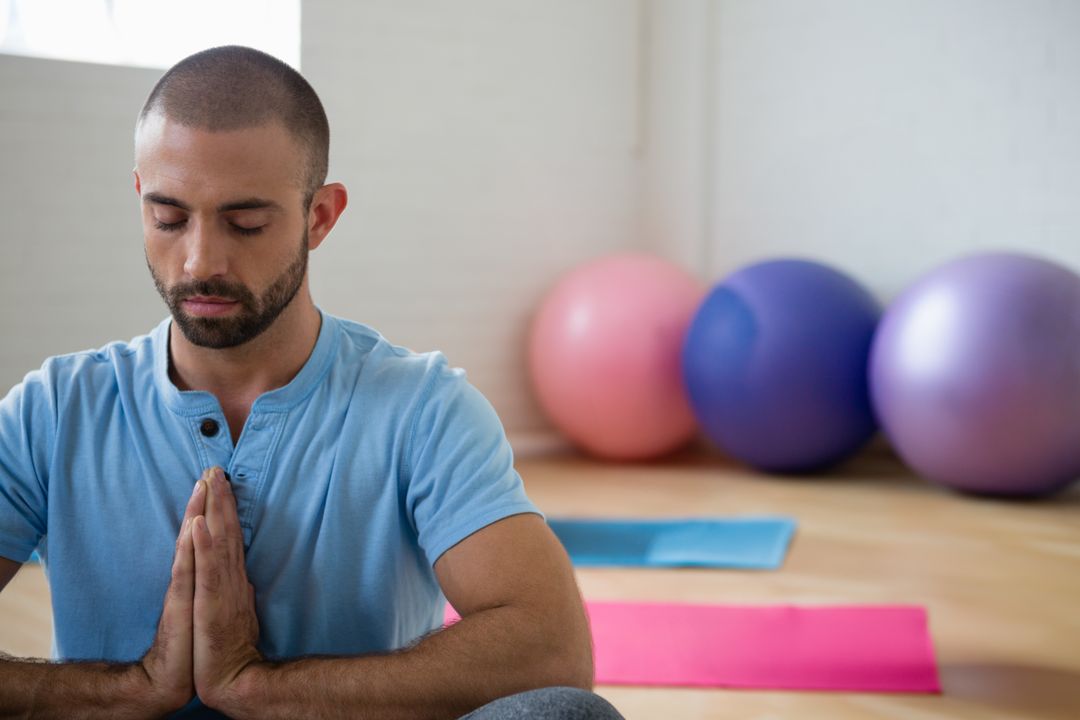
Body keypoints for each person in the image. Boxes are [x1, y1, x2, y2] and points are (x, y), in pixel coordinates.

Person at [0, 45, 623, 720]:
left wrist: (257, 687)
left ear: (320, 216)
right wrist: (135, 689)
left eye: (246, 222)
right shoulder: (55, 410)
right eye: (169, 217)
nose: (201, 258)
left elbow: (552, 648)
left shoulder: (422, 409)